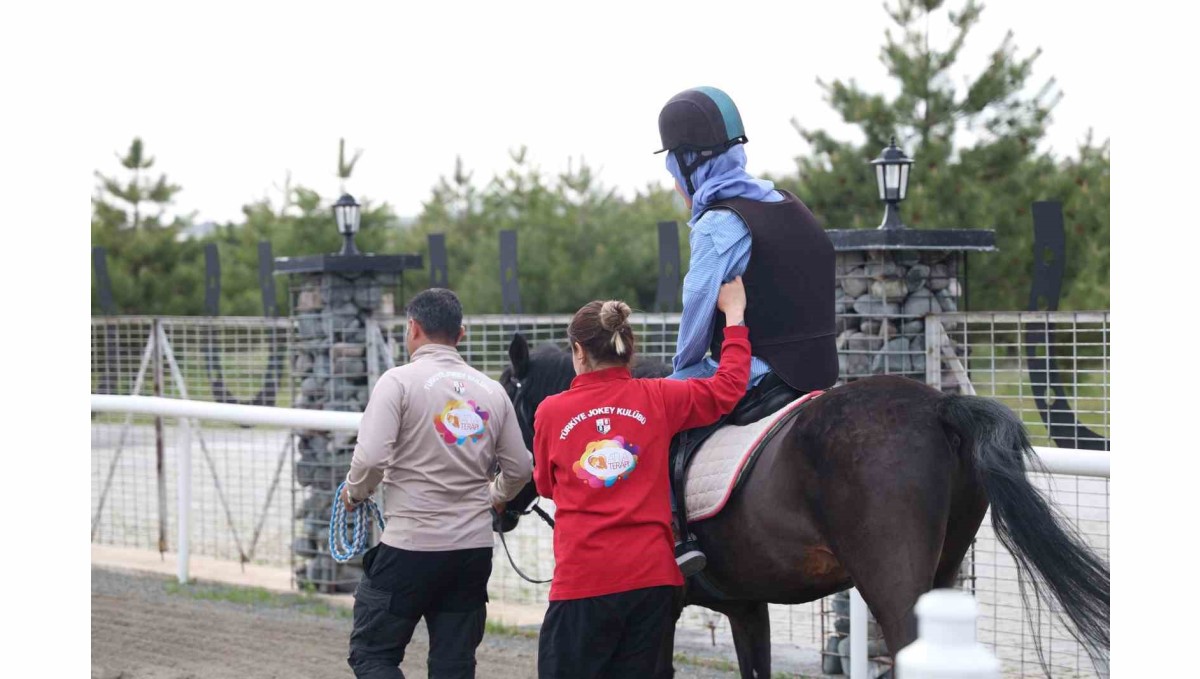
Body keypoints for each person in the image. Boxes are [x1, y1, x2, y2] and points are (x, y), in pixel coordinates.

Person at [656, 86, 839, 570]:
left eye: (674, 168)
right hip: (820, 364)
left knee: (657, 415)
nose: (674, 181)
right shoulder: (788, 202)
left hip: (763, 369)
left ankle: (677, 536)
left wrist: (681, 372)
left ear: (690, 164)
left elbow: (697, 314)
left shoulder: (718, 223)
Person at [532, 279, 751, 679]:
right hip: (652, 583)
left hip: (583, 586)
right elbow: (728, 388)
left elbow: (546, 486)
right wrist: (734, 315)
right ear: (627, 349)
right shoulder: (660, 396)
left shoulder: (550, 411)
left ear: (578, 352)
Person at [341, 288, 534, 679]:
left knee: (373, 655)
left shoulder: (397, 383)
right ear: (460, 334)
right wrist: (492, 498)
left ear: (412, 328)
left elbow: (372, 458)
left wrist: (353, 493)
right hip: (471, 552)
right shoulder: (493, 391)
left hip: (410, 547)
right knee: (454, 666)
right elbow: (520, 469)